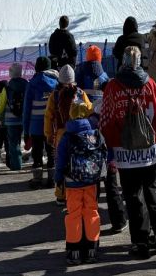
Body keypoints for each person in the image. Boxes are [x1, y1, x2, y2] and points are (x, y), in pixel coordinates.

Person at [99, 46, 156, 259]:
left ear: (122, 60)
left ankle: (140, 240)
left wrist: (112, 145)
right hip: (151, 150)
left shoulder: (113, 86)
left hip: (125, 152)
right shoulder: (150, 84)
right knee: (152, 189)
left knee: (132, 195)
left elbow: (106, 120)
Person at [75, 45, 127, 232]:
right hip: (107, 143)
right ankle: (119, 220)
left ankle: (90, 222)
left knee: (92, 185)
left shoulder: (79, 74)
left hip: (88, 135)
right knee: (112, 185)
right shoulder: (106, 78)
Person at [54, 99, 107, 265]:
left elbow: (60, 160)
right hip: (91, 180)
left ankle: (74, 250)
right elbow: (105, 153)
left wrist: (58, 179)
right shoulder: (95, 133)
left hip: (72, 182)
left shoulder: (67, 136)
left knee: (73, 214)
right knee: (91, 211)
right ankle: (92, 248)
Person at [46, 65, 93, 205]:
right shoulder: (80, 93)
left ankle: (61, 195)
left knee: (61, 163)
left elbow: (48, 116)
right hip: (79, 134)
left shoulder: (54, 96)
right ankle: (80, 191)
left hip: (61, 133)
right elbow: (89, 109)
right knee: (77, 162)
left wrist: (48, 134)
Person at [24, 57, 59, 188]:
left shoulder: (31, 84)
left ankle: (37, 180)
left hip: (35, 126)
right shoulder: (56, 83)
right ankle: (52, 179)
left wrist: (26, 130)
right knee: (51, 152)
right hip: (51, 126)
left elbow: (26, 110)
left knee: (37, 153)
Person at [0, 64, 28, 170]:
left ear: (11, 73)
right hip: (23, 118)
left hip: (10, 120)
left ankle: (16, 165)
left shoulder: (7, 87)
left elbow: (1, 105)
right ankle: (17, 162)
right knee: (18, 141)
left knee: (13, 144)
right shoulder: (26, 84)